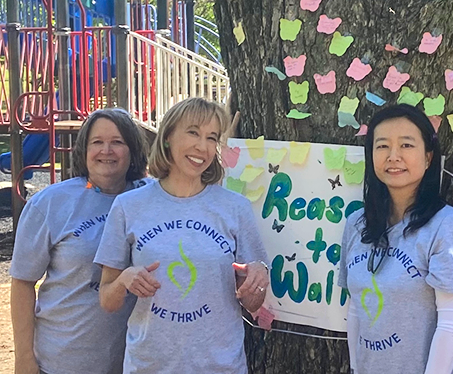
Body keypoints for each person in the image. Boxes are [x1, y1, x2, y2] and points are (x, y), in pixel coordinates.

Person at [94, 98, 269, 373]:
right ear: (167, 138)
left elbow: (251, 302)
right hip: (149, 365)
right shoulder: (129, 206)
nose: (203, 146)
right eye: (193, 132)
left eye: (212, 138)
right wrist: (124, 280)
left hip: (220, 366)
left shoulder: (235, 208)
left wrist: (257, 279)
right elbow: (107, 300)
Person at [10, 108, 149, 374]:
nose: (106, 150)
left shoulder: (151, 198)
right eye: (97, 142)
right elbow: (22, 282)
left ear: (132, 150)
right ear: (83, 150)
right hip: (64, 360)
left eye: (117, 142)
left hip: (134, 362)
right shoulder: (51, 203)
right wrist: (24, 359)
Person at [339, 104, 453, 374]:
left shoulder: (447, 227)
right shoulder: (356, 224)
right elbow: (356, 308)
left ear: (428, 157)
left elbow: (450, 323)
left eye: (406, 145)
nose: (393, 156)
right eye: (382, 146)